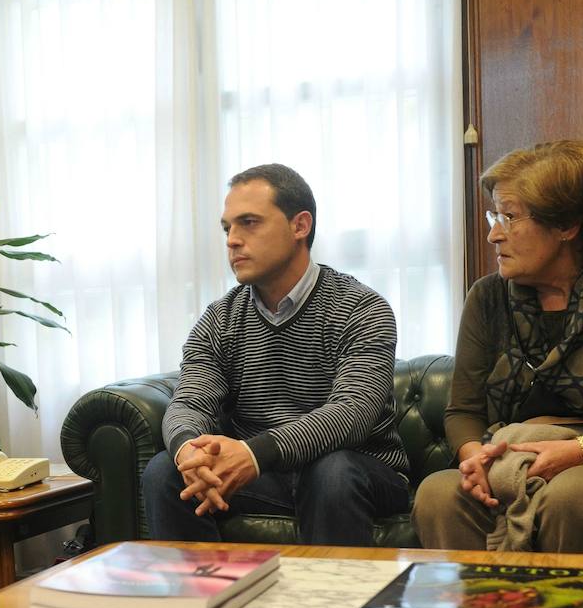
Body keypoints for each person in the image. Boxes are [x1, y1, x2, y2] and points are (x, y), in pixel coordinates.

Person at [413, 140, 583, 554]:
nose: (493, 234)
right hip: (513, 461)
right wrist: (477, 460)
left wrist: (578, 451)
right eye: (495, 215)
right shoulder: (486, 297)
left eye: (510, 217)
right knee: (439, 493)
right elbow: (464, 411)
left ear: (567, 226)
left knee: (573, 495)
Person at [140, 163, 409, 545]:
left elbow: (352, 414)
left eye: (249, 223)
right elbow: (189, 402)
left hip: (358, 468)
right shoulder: (220, 318)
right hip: (265, 475)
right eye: (227, 228)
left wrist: (254, 453)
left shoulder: (360, 307)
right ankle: (207, 601)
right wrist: (188, 451)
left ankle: (331, 605)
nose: (232, 240)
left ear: (300, 226)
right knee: (164, 471)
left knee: (330, 470)